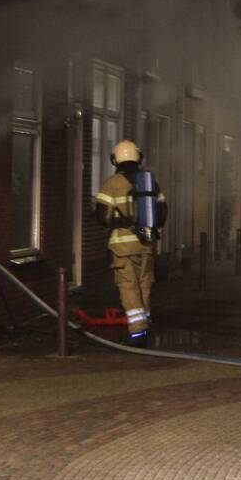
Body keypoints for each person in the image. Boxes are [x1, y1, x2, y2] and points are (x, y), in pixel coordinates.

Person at [95, 140, 168, 346]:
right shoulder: (150, 182)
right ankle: (144, 326)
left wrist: (119, 221)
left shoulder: (112, 184)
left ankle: (137, 333)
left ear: (115, 159)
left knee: (129, 287)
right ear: (139, 158)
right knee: (145, 285)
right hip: (147, 244)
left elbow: (101, 215)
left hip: (123, 248)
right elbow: (162, 211)